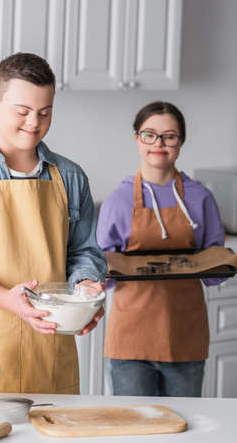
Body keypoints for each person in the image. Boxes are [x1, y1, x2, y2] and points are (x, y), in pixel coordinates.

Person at [0, 52, 107, 394]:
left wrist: (86, 290)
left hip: (48, 351)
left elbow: (84, 252)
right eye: (22, 111)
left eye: (45, 112)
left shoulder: (71, 176)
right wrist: (7, 299)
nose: (34, 122)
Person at [97, 101, 225, 397]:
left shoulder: (200, 197)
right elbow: (102, 269)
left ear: (180, 142)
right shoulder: (120, 200)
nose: (159, 143)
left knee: (185, 429)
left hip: (185, 336)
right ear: (137, 138)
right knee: (135, 429)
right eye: (149, 134)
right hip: (130, 339)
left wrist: (222, 265)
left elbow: (213, 266)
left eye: (169, 136)